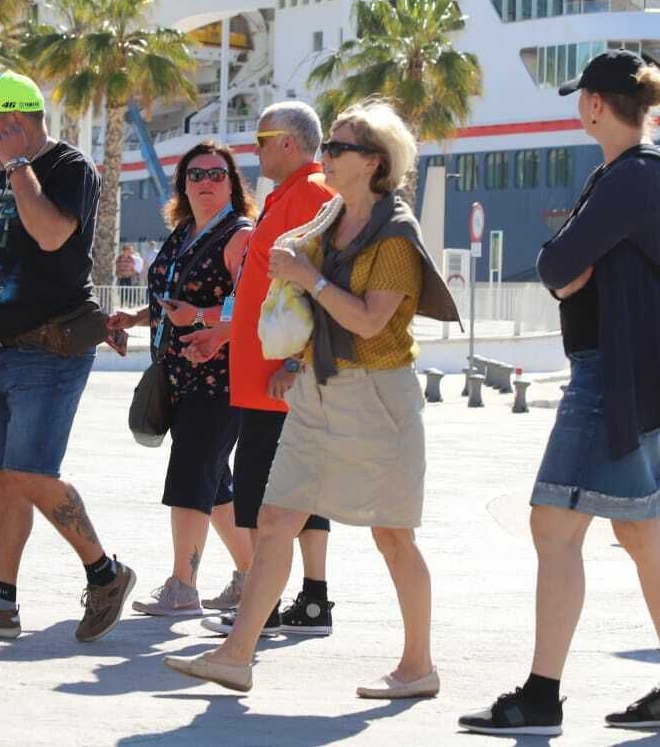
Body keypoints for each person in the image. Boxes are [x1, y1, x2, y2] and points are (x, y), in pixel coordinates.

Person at [167, 99, 458, 700]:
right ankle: (236, 655)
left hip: (378, 397)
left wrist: (308, 277)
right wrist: (295, 362)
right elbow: (306, 304)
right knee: (275, 519)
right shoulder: (330, 216)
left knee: (393, 537)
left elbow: (372, 322)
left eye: (337, 148)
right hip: (318, 390)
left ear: (373, 161)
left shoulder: (396, 232)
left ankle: (418, 666)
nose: (324, 155)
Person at [460, 49, 660, 735]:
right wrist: (574, 270)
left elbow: (557, 263)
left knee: (554, 527)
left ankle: (541, 697)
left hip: (611, 375)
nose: (577, 109)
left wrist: (571, 266)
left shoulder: (628, 178)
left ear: (596, 104)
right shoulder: (644, 175)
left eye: (580, 99)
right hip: (639, 371)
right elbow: (569, 271)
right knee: (643, 533)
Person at [0, 71, 136, 642]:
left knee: (29, 472)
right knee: (3, 477)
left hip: (48, 347)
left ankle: (106, 572)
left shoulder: (66, 168)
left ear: (16, 123)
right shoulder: (0, 171)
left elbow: (50, 236)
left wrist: (20, 165)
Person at [178, 100, 341, 635]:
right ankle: (311, 601)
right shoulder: (288, 195)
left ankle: (261, 608)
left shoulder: (313, 194)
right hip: (263, 376)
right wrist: (224, 333)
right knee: (296, 492)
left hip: (279, 381)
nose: (255, 148)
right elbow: (262, 290)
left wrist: (296, 362)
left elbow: (323, 283)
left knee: (260, 495)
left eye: (262, 138)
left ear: (289, 142)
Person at [109, 141, 256, 616]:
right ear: (182, 184)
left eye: (217, 174)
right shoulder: (183, 233)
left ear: (233, 183)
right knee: (214, 485)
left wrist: (204, 317)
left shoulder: (240, 235)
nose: (207, 182)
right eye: (197, 174)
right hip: (180, 375)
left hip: (221, 376)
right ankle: (252, 578)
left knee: (191, 474)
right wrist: (136, 317)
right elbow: (173, 300)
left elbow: (252, 307)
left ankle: (182, 586)